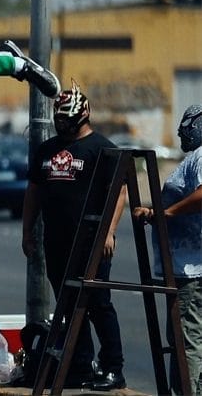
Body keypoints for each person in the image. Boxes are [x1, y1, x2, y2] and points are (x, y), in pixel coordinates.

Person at [21, 83, 127, 390]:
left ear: (83, 116)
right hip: (56, 243)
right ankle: (80, 366)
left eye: (68, 122)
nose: (63, 128)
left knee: (97, 304)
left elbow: (119, 190)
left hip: (92, 243)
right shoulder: (47, 151)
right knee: (67, 305)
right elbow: (33, 193)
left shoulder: (101, 149)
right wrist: (27, 233)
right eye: (60, 122)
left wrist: (109, 231)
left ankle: (112, 367)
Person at [133, 104, 202, 395]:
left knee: (186, 343)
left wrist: (166, 214)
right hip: (183, 268)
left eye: (187, 124)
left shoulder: (201, 157)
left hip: (191, 270)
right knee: (181, 341)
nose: (180, 131)